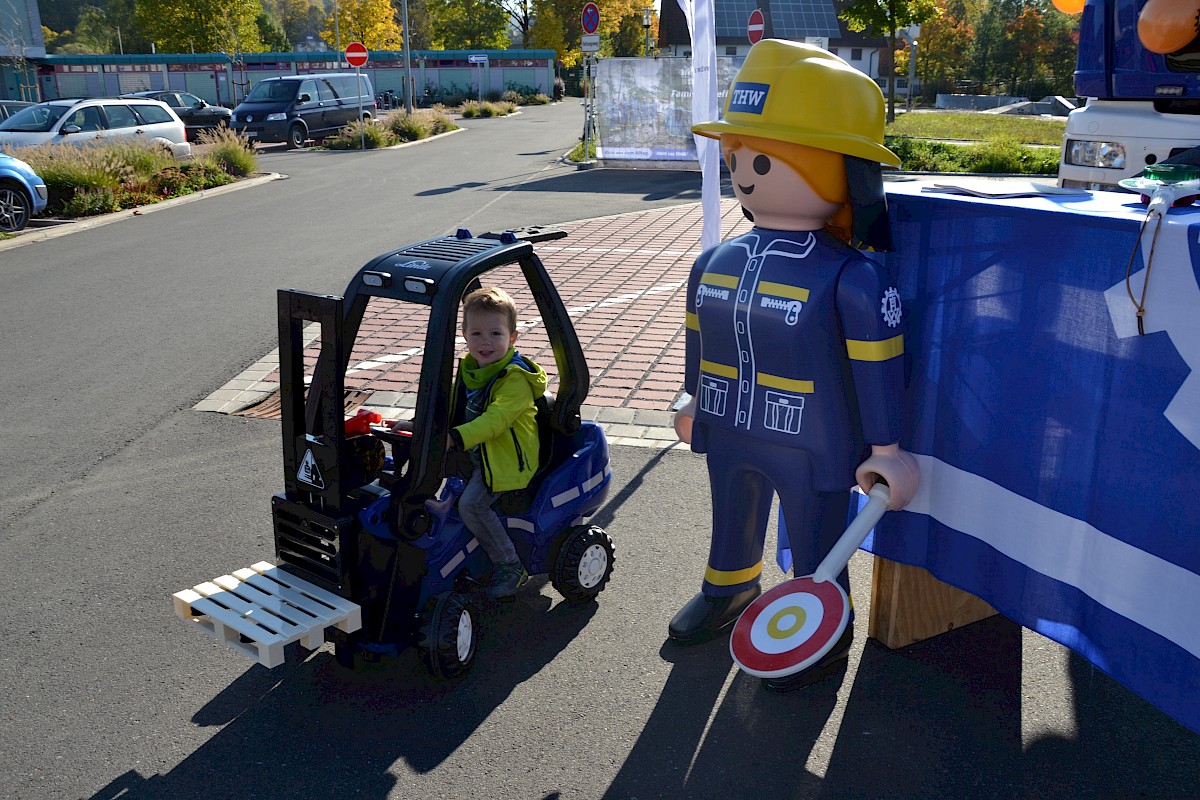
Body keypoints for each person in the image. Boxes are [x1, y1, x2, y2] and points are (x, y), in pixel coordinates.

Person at [669, 40, 921, 691]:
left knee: (815, 534)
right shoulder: (715, 262)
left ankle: (818, 623)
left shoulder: (853, 278)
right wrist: (692, 397)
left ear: (843, 169)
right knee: (730, 511)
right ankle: (728, 587)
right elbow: (701, 336)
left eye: (761, 158)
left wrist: (887, 447)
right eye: (736, 158)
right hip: (728, 422)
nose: (745, 174)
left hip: (813, 438)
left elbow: (879, 364)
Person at [393, 287, 547, 601]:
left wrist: (456, 437)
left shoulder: (514, 378)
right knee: (419, 477)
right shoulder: (471, 369)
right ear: (464, 334)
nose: (485, 342)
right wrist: (419, 426)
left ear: (513, 337)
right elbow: (449, 408)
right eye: (476, 333)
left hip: (506, 462)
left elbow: (496, 420)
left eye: (495, 333)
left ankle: (509, 565)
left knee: (471, 505)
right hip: (478, 453)